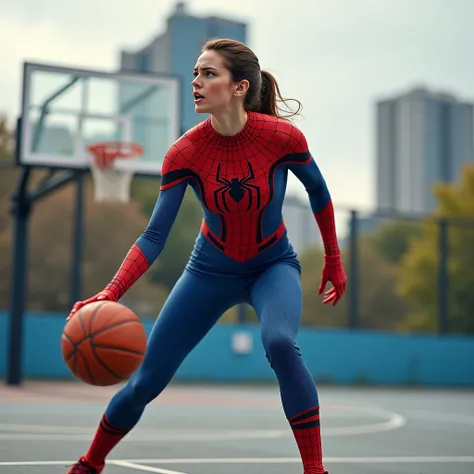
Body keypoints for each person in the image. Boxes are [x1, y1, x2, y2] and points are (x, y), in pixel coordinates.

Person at [66, 38, 347, 474]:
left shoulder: (281, 137)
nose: (196, 82)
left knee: (280, 342)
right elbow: (155, 235)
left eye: (208, 73)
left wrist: (333, 258)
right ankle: (90, 463)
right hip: (208, 271)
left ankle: (315, 470)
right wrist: (111, 291)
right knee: (145, 382)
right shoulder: (184, 152)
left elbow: (319, 192)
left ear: (239, 87)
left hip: (272, 265)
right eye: (196, 73)